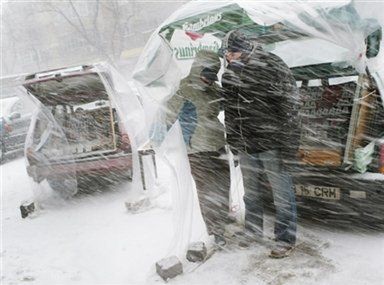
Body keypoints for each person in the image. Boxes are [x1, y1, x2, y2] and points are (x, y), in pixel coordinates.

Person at [221, 31, 300, 258]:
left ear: (246, 48)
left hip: (271, 142)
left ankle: (285, 238)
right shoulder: (231, 73)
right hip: (247, 143)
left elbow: (290, 106)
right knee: (251, 194)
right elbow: (231, 111)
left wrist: (288, 145)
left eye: (233, 52)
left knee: (282, 194)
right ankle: (253, 231)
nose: (229, 57)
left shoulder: (270, 65)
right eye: (226, 53)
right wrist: (234, 140)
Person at [166, 50, 230, 246]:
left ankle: (221, 219)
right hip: (197, 151)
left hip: (217, 145)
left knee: (222, 186)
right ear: (197, 69)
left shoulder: (214, 90)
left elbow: (227, 104)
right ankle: (216, 231)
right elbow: (166, 117)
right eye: (205, 75)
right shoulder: (183, 90)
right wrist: (155, 139)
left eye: (212, 76)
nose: (208, 80)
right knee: (207, 191)